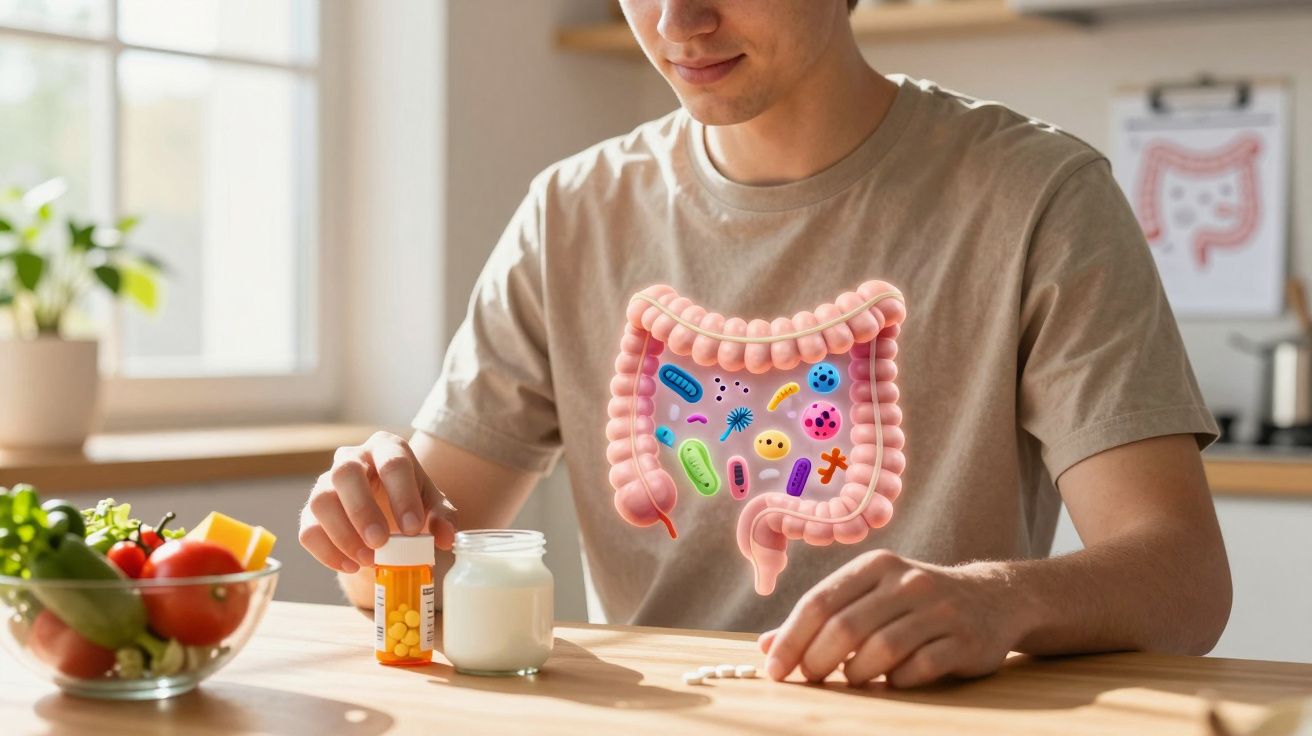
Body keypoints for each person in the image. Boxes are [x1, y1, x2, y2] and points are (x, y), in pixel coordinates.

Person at [300, 0, 1231, 688]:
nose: (677, 19)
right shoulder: (570, 213)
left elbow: (1184, 580)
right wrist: (377, 531)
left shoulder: (1041, 196)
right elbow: (412, 573)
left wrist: (998, 599)